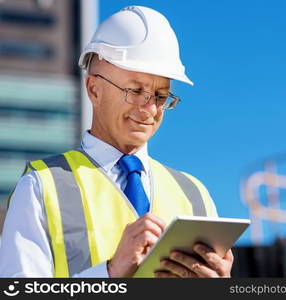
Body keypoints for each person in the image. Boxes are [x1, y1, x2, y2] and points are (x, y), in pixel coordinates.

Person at [0, 6, 233, 278]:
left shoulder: (196, 196)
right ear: (94, 89)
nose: (149, 109)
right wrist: (109, 274)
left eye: (160, 95)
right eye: (135, 91)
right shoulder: (42, 186)